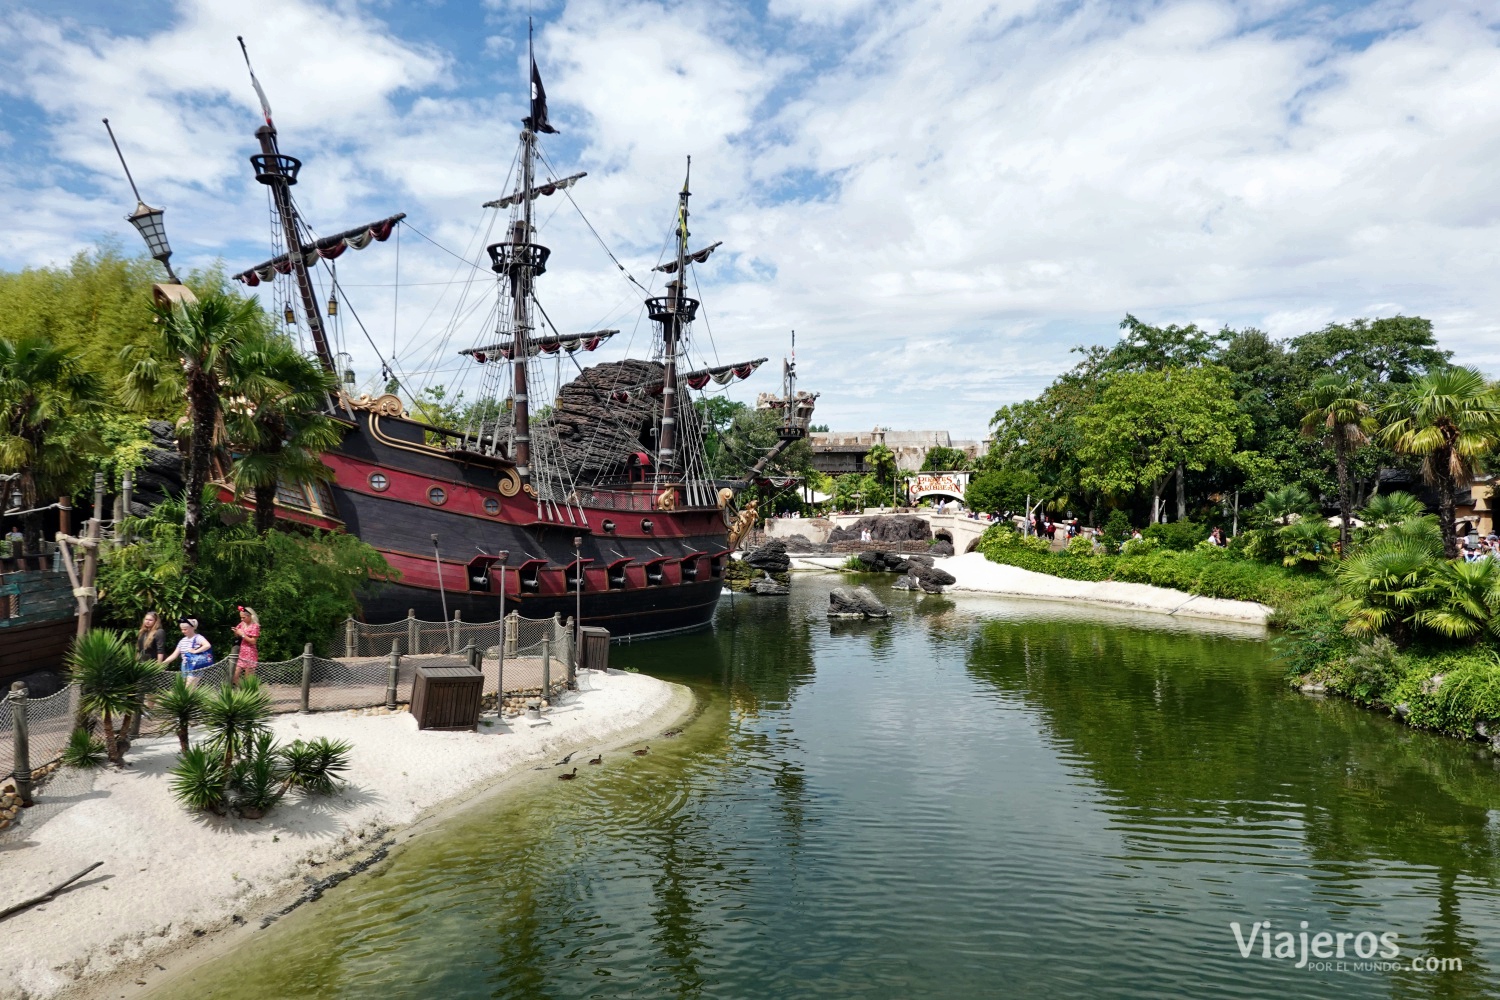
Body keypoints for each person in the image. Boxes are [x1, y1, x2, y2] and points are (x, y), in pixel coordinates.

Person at [163, 618, 213, 684]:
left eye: (185, 629)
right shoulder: (182, 640)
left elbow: (207, 645)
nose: (183, 631)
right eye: (182, 629)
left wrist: (195, 651)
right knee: (186, 688)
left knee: (188, 689)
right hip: (184, 665)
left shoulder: (198, 637)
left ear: (192, 628)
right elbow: (174, 655)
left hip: (194, 666)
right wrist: (163, 663)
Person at [232, 606, 261, 683]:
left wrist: (242, 634)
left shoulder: (255, 626)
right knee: (235, 675)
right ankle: (240, 691)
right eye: (241, 618)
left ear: (250, 616)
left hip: (250, 653)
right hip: (242, 652)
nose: (242, 619)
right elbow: (237, 634)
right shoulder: (242, 624)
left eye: (243, 617)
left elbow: (253, 641)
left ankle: (247, 692)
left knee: (248, 678)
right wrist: (236, 632)